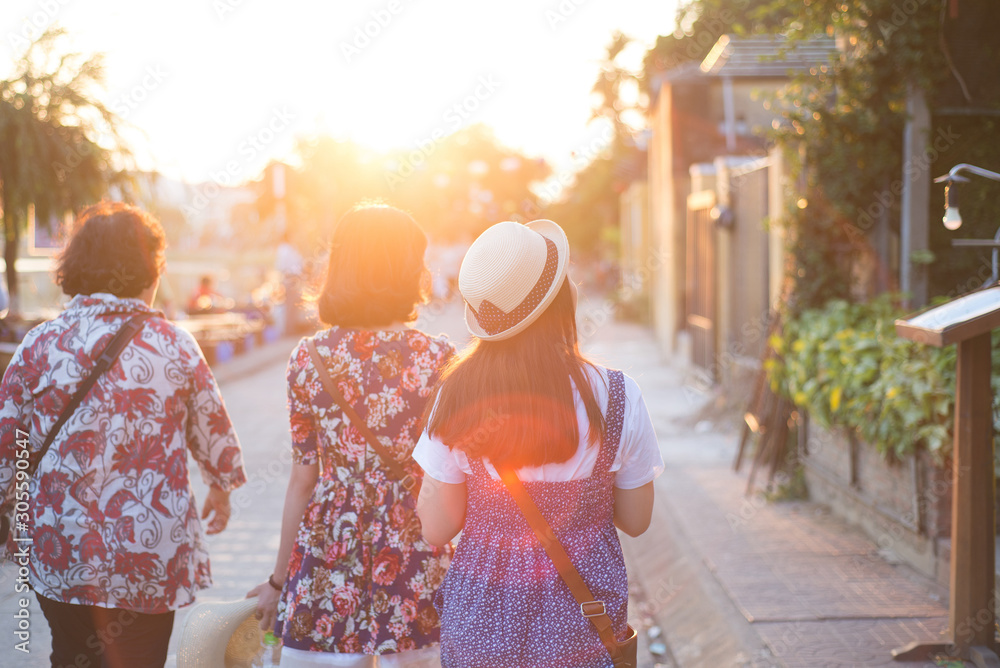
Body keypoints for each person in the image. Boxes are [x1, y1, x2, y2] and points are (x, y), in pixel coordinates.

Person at [0, 201, 247, 668]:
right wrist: (220, 489)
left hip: (60, 545)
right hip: (148, 552)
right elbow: (212, 430)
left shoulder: (39, 345)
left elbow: (6, 445)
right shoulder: (174, 344)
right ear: (148, 272)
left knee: (72, 654)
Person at [413, 219, 664, 668]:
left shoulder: (456, 396)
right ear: (561, 299)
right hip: (584, 625)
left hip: (481, 626)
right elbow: (637, 519)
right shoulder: (619, 394)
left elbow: (435, 527)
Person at [248, 204, 455, 668]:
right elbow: (454, 474)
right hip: (416, 544)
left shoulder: (309, 358)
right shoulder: (439, 359)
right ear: (406, 270)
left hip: (329, 546)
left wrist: (277, 583)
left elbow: (303, 479)